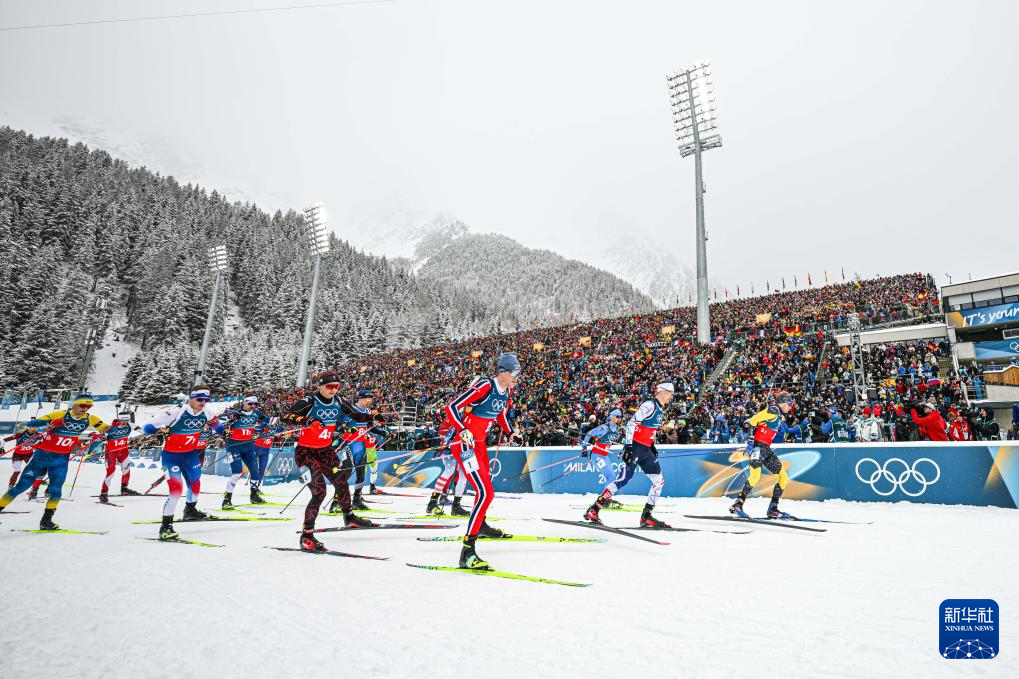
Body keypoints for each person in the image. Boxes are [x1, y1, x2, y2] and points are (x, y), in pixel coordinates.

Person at [281, 371, 375, 553]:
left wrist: (373, 418)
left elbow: (356, 414)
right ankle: (307, 536)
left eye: (337, 387)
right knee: (319, 492)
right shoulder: (310, 401)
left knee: (342, 481)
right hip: (306, 452)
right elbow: (286, 416)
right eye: (330, 386)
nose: (333, 390)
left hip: (326, 451)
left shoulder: (338, 401)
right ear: (321, 386)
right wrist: (307, 420)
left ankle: (349, 517)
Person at [445, 352, 518, 570]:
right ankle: (467, 551)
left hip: (480, 446)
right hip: (465, 445)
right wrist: (462, 429)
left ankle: (481, 525)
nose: (516, 377)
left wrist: (511, 432)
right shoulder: (486, 385)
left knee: (484, 491)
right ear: (502, 372)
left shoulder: (506, 391)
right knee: (485, 492)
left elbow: (500, 414)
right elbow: (452, 407)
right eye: (514, 373)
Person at [0, 397, 109, 530]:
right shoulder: (60, 414)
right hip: (41, 458)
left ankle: (46, 522)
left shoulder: (91, 418)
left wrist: (114, 426)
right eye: (82, 405)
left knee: (56, 492)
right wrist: (50, 423)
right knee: (21, 487)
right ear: (75, 405)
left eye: (89, 406)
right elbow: (33, 423)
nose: (85, 408)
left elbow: (106, 430)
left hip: (61, 461)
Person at [585, 383, 674, 529]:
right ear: (662, 392)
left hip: (646, 450)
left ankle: (646, 516)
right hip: (636, 448)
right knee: (623, 479)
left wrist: (651, 445)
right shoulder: (649, 405)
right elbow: (632, 424)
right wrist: (629, 446)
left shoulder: (659, 409)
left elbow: (648, 429)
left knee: (659, 481)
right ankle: (594, 508)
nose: (671, 397)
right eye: (670, 393)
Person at [143, 386, 225, 540]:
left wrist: (226, 432)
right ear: (191, 398)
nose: (203, 402)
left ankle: (190, 511)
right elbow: (147, 427)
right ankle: (165, 527)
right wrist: (159, 432)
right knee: (176, 490)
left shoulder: (207, 413)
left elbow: (219, 427)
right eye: (200, 399)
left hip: (191, 455)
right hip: (171, 457)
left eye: (206, 400)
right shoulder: (176, 412)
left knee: (195, 484)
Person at [729, 391, 794, 519]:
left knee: (783, 477)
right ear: (783, 402)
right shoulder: (774, 410)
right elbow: (752, 421)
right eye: (789, 404)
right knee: (755, 476)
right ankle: (738, 504)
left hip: (766, 449)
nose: (790, 407)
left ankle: (773, 509)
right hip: (758, 448)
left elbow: (757, 422)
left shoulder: (777, 414)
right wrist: (750, 442)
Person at [221, 396, 271, 509]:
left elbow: (268, 419)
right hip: (233, 446)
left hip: (248, 446)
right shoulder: (236, 413)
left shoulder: (257, 413)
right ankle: (227, 499)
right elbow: (221, 423)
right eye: (250, 404)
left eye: (255, 404)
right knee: (237, 473)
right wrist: (231, 421)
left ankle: (254, 496)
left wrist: (265, 425)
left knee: (255, 472)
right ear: (244, 403)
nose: (253, 406)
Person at [425, 417, 470, 517]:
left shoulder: (473, 415)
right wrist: (450, 440)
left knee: (465, 475)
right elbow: (443, 432)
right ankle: (433, 502)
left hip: (467, 448)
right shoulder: (455, 415)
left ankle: (456, 506)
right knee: (449, 471)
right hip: (451, 448)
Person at [580, 408, 625, 507]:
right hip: (597, 456)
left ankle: (605, 499)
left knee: (612, 477)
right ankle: (604, 500)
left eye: (621, 417)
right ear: (612, 416)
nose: (620, 419)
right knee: (610, 476)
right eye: (618, 416)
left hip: (604, 456)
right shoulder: (604, 428)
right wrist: (584, 449)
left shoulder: (617, 429)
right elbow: (589, 434)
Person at [99, 413, 137, 502]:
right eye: (123, 420)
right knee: (110, 472)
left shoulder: (130, 425)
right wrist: (101, 437)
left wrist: (156, 433)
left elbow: (142, 429)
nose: (125, 422)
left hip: (123, 451)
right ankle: (103, 493)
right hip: (111, 453)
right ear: (119, 419)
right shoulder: (111, 427)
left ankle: (124, 488)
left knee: (126, 469)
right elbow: (97, 434)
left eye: (127, 420)